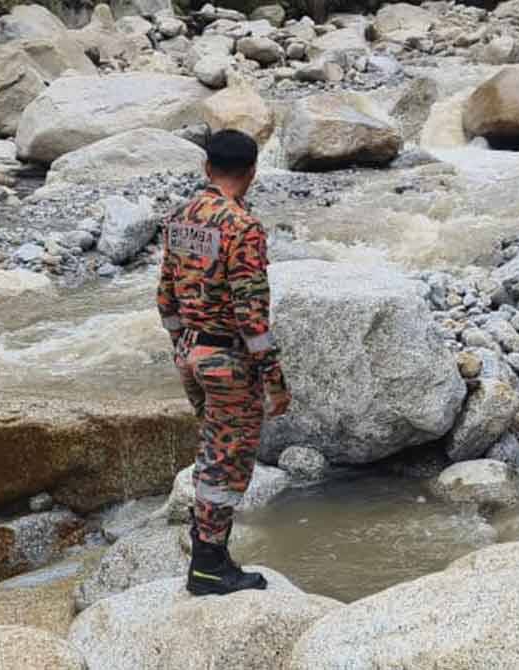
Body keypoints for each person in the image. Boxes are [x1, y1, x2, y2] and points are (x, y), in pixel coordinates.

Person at [157, 129, 292, 595]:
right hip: (228, 361)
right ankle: (210, 569)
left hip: (191, 354)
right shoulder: (243, 227)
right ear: (252, 173)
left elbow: (165, 297)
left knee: (210, 452)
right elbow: (251, 316)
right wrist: (275, 380)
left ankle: (211, 556)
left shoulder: (179, 216)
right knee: (226, 463)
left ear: (206, 168)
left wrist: (182, 348)